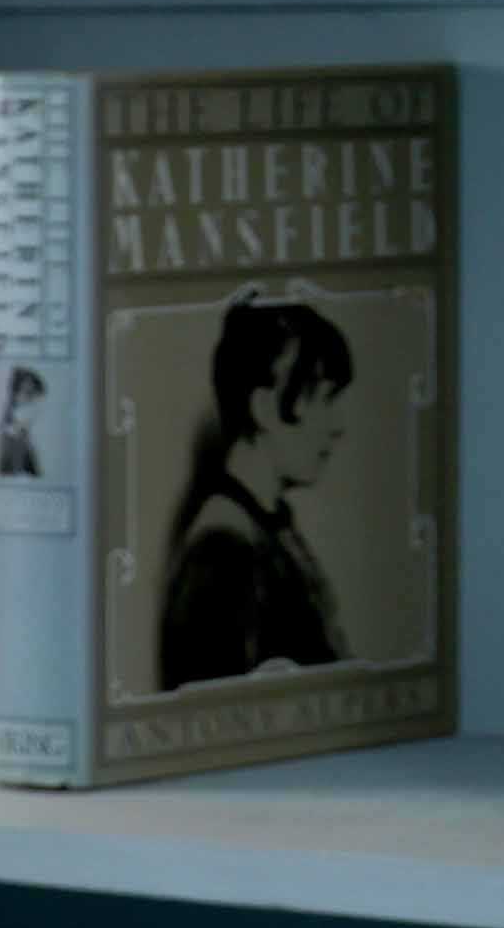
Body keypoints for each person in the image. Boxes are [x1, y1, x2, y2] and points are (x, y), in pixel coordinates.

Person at [152, 288, 355, 686]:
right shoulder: (224, 550)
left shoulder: (265, 528)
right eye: (324, 399)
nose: (338, 425)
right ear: (263, 408)